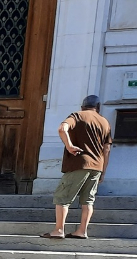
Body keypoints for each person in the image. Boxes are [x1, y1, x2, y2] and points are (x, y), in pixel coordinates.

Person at [41, 95, 113, 240]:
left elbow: (62, 128)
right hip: (97, 166)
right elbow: (107, 150)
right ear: (98, 107)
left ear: (82, 106)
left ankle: (59, 229)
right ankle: (82, 230)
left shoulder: (77, 116)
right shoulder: (105, 122)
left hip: (78, 164)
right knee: (88, 200)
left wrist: (69, 145)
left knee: (63, 197)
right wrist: (103, 172)